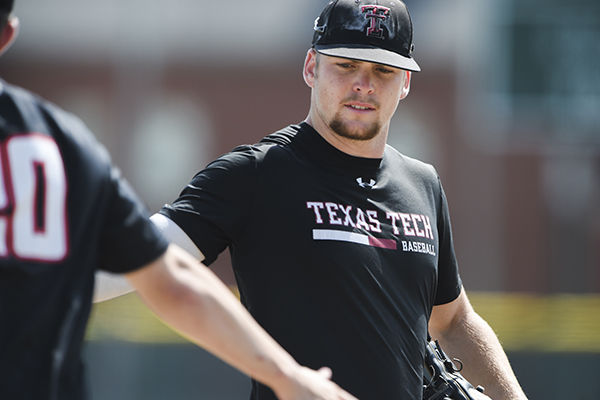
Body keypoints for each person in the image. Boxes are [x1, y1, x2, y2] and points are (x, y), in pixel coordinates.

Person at [97, 1, 529, 399]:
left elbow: (453, 321)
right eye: (345, 65)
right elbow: (140, 254)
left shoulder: (423, 184)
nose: (364, 84)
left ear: (405, 84)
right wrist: (42, 280)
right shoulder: (256, 173)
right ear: (311, 67)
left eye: (383, 71)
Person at [0, 1, 359, 400]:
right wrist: (288, 378)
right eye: (346, 65)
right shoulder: (63, 144)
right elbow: (169, 277)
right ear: (8, 35)